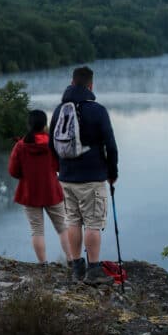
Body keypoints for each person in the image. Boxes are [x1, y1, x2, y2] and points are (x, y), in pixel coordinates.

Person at [49, 66, 119, 286]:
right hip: (92, 179)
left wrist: (60, 169)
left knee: (73, 222)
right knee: (93, 224)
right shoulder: (97, 110)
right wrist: (112, 172)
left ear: (72, 83)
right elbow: (111, 146)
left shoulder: (60, 110)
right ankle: (95, 270)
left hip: (67, 178)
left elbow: (52, 144)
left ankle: (77, 268)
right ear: (91, 85)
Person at [8, 110, 73, 265]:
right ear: (45, 125)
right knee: (63, 228)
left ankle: (42, 264)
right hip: (52, 191)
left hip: (29, 193)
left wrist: (27, 177)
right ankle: (72, 260)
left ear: (29, 125)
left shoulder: (21, 145)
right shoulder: (52, 143)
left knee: (37, 231)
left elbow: (13, 171)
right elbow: (60, 166)